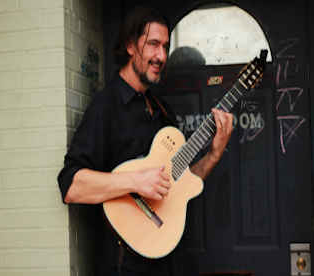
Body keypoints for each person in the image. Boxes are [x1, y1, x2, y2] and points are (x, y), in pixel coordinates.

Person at [58, 5, 233, 276]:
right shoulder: (107, 107)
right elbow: (71, 185)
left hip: (166, 260)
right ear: (130, 45)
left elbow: (181, 185)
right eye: (153, 44)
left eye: (164, 46)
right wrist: (136, 182)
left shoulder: (162, 111)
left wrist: (213, 154)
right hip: (122, 265)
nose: (161, 55)